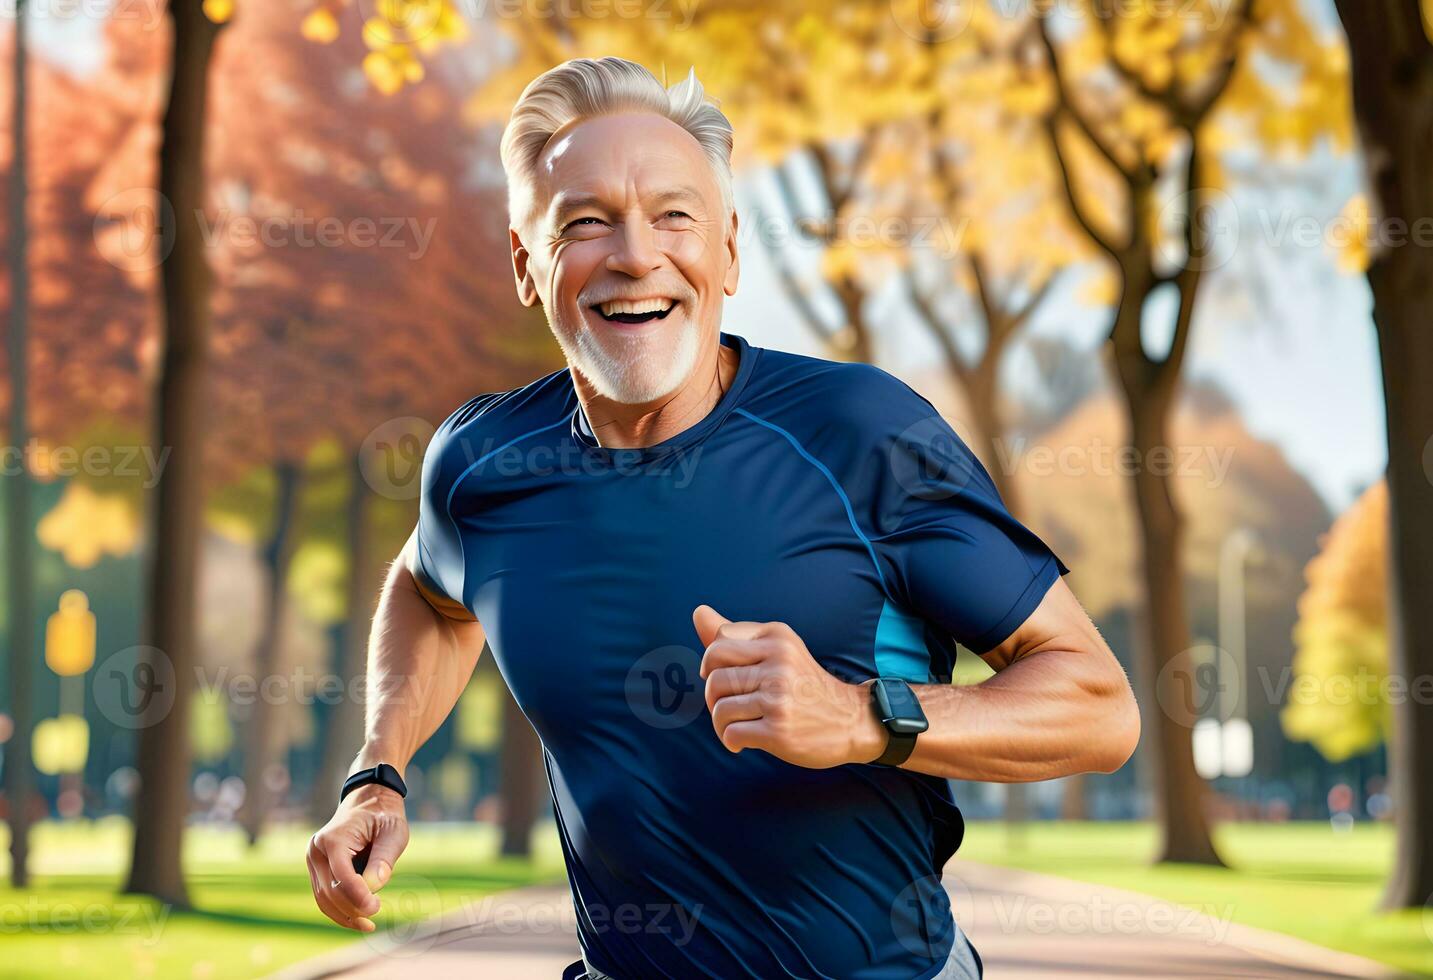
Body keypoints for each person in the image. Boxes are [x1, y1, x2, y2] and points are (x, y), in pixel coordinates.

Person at [306, 56, 1140, 980]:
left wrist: (864, 717)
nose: (634, 254)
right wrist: (376, 773)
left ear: (729, 251)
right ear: (524, 266)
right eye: (584, 222)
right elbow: (429, 591)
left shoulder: (862, 434)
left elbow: (1097, 709)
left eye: (674, 215)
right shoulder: (482, 463)